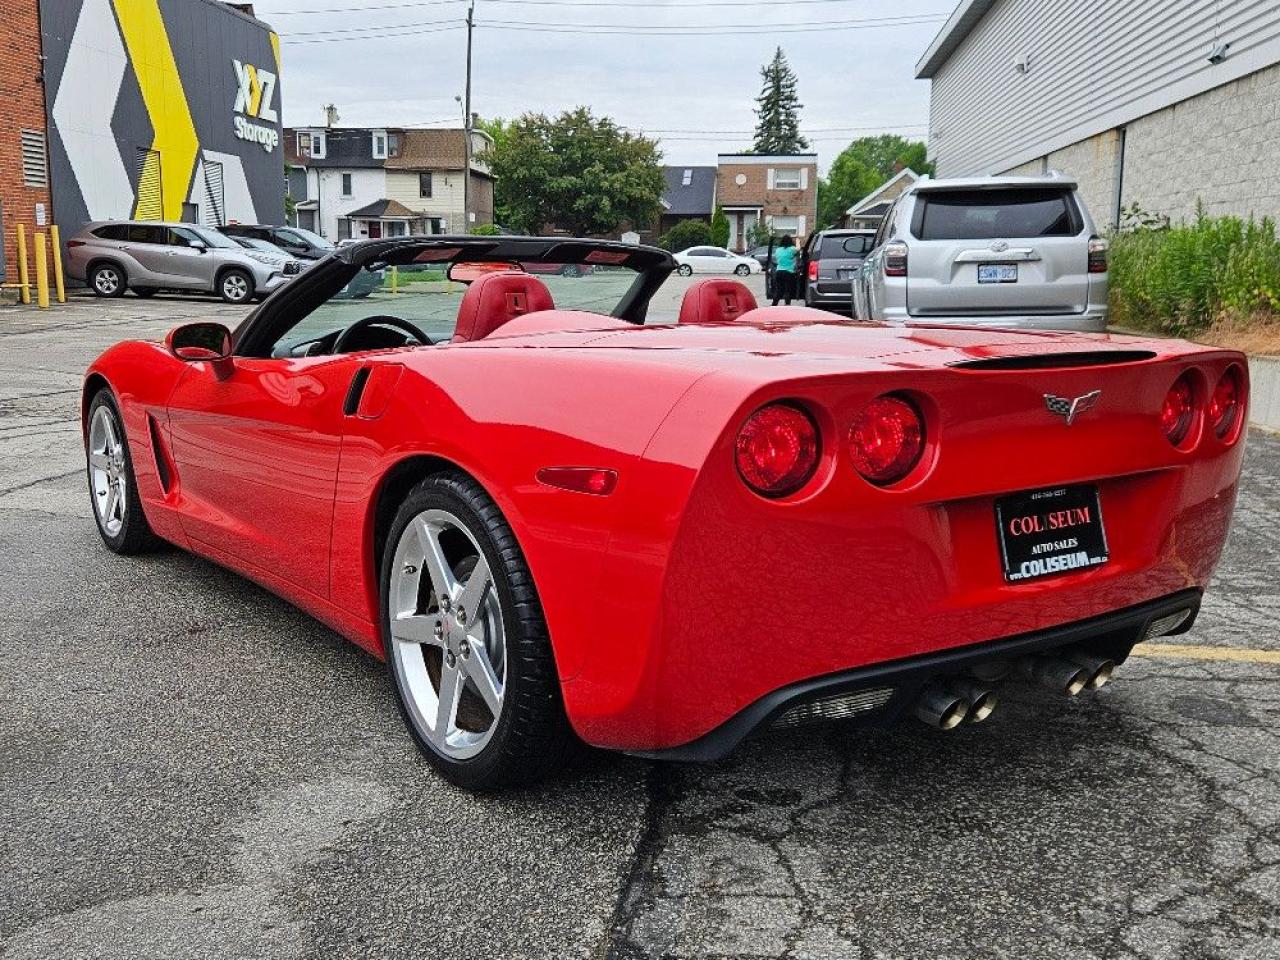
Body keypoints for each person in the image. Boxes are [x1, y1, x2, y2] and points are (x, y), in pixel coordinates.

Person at [771, 235, 798, 306]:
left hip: (779, 272)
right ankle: (787, 306)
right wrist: (797, 240)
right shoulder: (792, 249)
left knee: (779, 290)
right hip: (788, 273)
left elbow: (777, 260)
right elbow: (798, 249)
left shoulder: (778, 250)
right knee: (787, 291)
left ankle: (773, 305)